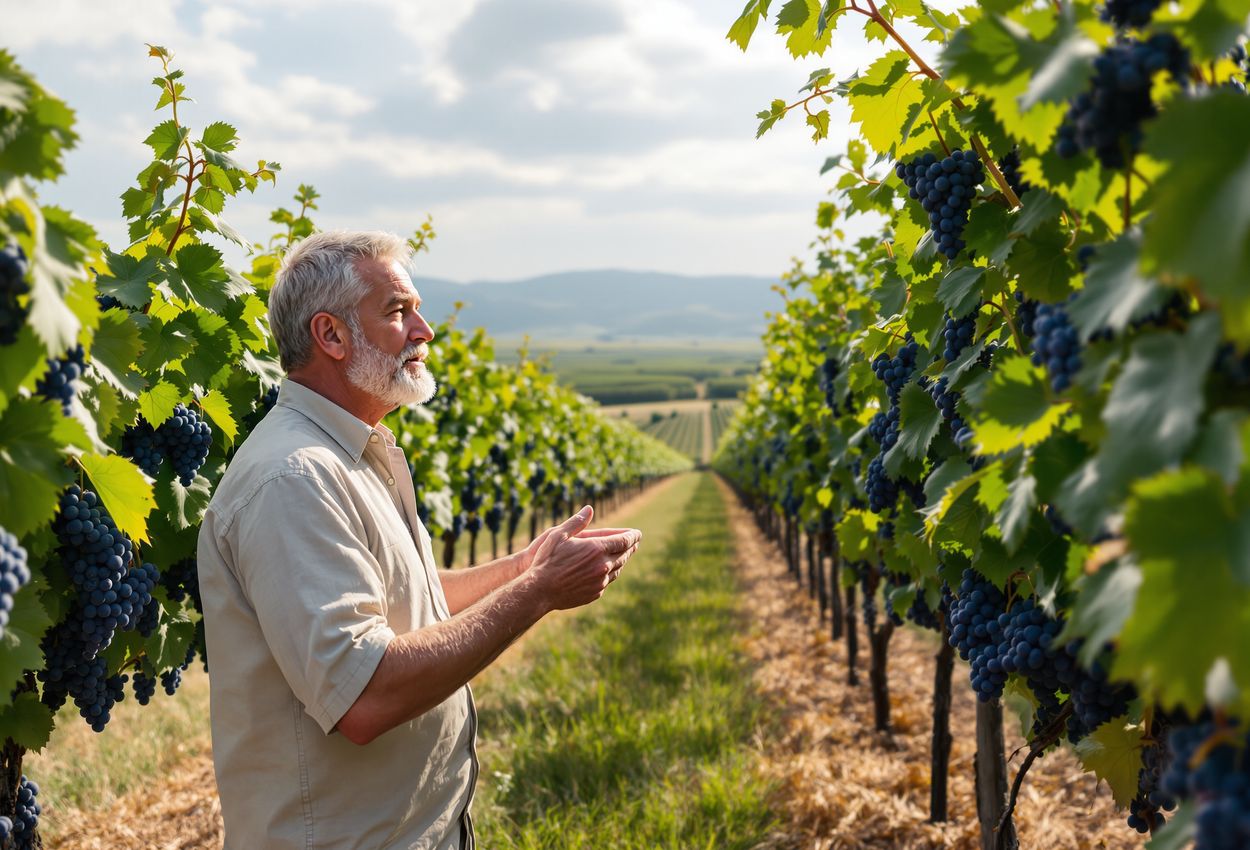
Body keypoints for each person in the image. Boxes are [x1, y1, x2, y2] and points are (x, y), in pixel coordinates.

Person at [197, 230, 643, 850]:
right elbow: (364, 696)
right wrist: (538, 593)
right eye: (398, 312)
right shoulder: (293, 479)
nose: (424, 331)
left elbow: (410, 602)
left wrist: (524, 566)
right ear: (331, 336)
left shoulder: (348, 455)